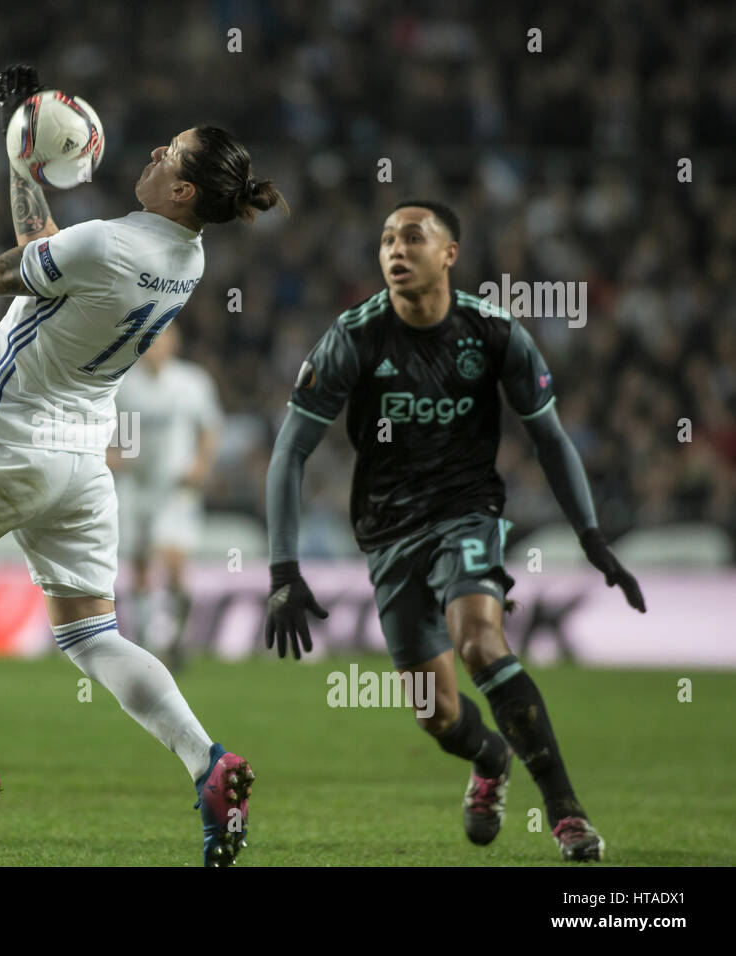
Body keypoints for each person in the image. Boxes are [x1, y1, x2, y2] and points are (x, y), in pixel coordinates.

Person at [0, 65, 285, 866]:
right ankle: (207, 762)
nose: (153, 152)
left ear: (183, 192)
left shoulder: (108, 241)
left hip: (3, 446)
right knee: (90, 634)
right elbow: (50, 255)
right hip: (82, 462)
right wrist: (23, 158)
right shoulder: (186, 258)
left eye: (170, 153)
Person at [264, 200, 647, 862]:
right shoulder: (354, 336)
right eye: (385, 239)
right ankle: (489, 758)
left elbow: (549, 438)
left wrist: (591, 537)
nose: (394, 250)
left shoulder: (494, 332)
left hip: (467, 513)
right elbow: (290, 451)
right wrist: (282, 571)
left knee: (480, 642)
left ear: (450, 254)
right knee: (436, 714)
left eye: (412, 237)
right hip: (386, 536)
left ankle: (566, 812)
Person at [110, 324, 222, 667]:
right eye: (150, 342)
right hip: (139, 487)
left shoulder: (192, 382)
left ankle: (177, 636)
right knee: (141, 563)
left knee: (173, 563)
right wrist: (118, 458)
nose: (156, 348)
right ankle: (145, 638)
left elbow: (209, 427)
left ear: (175, 343)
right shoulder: (128, 387)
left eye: (163, 340)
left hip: (177, 487)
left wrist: (201, 464)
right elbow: (124, 440)